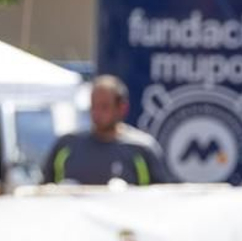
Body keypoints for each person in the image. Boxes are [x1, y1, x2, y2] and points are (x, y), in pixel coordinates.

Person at [40, 75, 170, 186]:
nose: (97, 113)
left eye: (104, 106)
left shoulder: (142, 149)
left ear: (122, 108)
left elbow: (160, 200)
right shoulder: (66, 146)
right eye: (93, 106)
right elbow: (44, 192)